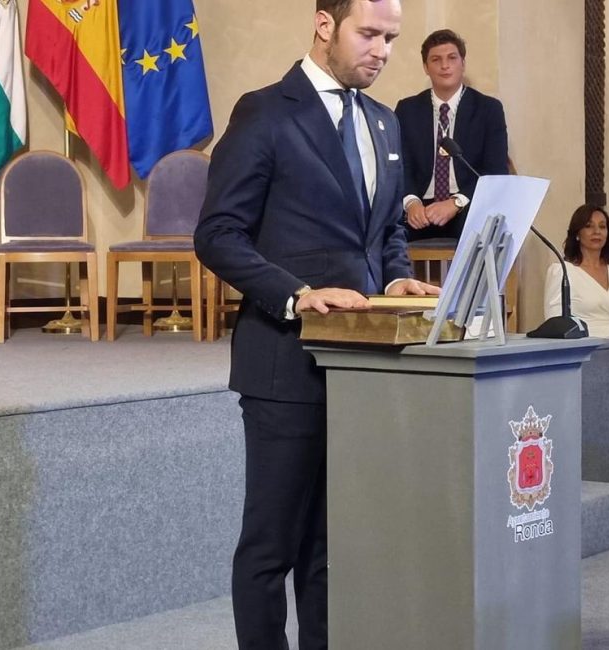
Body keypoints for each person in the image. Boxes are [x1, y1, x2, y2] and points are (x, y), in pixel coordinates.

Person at [193, 2, 439, 647]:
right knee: (272, 546)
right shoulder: (266, 112)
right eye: (370, 34)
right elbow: (218, 235)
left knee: (331, 548)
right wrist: (296, 293)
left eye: (391, 39)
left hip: (361, 366)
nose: (382, 50)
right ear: (325, 25)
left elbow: (384, 230)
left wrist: (394, 278)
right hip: (285, 363)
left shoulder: (384, 124)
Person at [396, 29, 509, 241]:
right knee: (384, 233)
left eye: (452, 58)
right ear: (425, 67)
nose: (445, 66)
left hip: (467, 204)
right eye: (436, 59)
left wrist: (455, 202)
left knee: (485, 233)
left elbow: (496, 171)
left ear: (462, 63)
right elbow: (401, 166)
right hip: (420, 206)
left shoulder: (488, 109)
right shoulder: (407, 109)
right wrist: (411, 202)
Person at [542, 204, 609, 338]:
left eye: (602, 226)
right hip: (582, 352)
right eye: (589, 226)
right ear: (577, 233)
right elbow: (555, 325)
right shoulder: (562, 271)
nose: (597, 231)